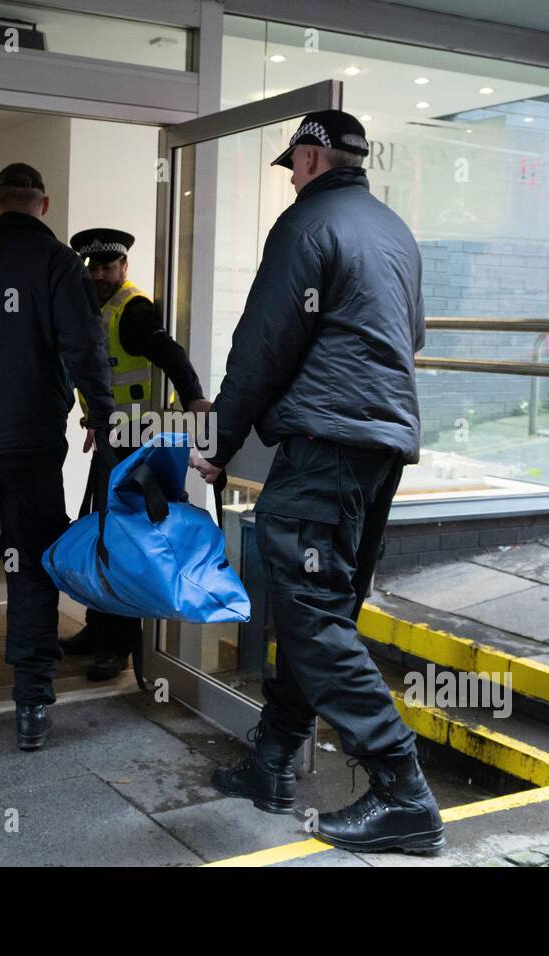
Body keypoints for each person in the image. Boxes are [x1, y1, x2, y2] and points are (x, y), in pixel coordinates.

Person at [190, 111, 444, 854]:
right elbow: (412, 333)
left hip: (328, 444)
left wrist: (219, 441)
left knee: (306, 606)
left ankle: (402, 789)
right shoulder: (393, 230)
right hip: (380, 447)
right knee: (322, 603)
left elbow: (264, 343)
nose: (291, 177)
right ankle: (272, 760)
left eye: (293, 164)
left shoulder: (307, 225)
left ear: (309, 157)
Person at [0, 162, 114, 751]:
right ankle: (32, 703)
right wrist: (103, 418)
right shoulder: (59, 263)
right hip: (30, 443)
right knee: (31, 564)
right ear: (44, 204)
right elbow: (84, 349)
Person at [59, 227, 210, 683]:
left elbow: (172, 356)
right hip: (111, 441)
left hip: (136, 445)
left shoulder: (133, 310)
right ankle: (98, 627)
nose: (100, 274)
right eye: (93, 267)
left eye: (107, 266)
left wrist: (196, 401)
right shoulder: (96, 310)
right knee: (103, 533)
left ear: (124, 267)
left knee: (124, 543)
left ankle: (118, 645)